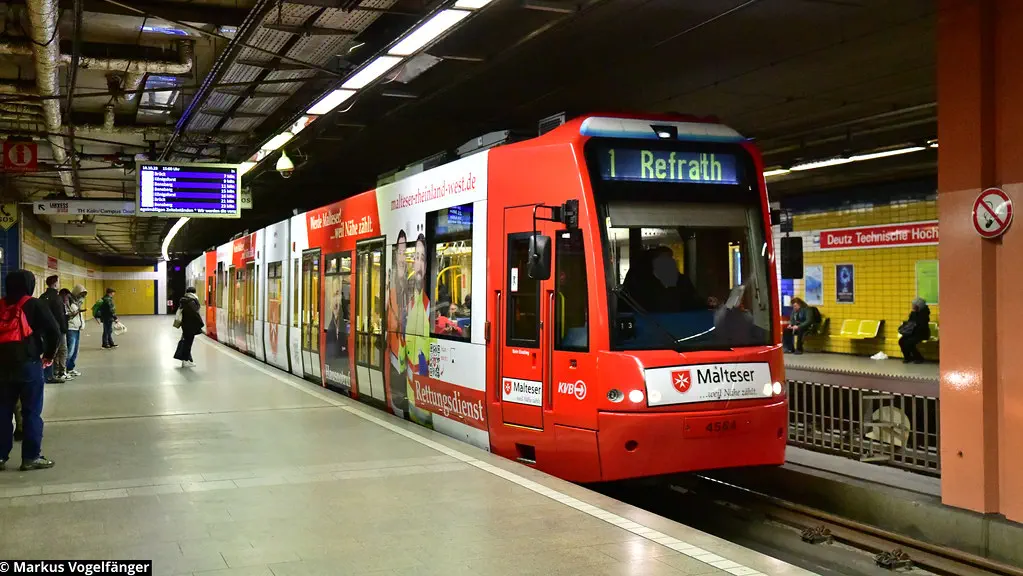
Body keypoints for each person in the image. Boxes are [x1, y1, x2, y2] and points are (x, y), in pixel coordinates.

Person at [0, 269, 60, 471]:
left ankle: (0, 456)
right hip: (28, 365)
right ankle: (31, 457)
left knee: (2, 411)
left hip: (2, 368)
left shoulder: (1, 305)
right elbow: (54, 331)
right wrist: (48, 355)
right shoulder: (34, 304)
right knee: (31, 412)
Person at [39, 276, 68, 383]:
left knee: (48, 351)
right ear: (55, 283)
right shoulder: (57, 298)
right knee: (62, 350)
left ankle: (49, 373)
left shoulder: (42, 297)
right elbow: (60, 315)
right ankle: (59, 372)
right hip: (57, 329)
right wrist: (64, 328)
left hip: (45, 329)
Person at [174, 287, 204, 367]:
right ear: (194, 293)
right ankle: (185, 361)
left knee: (186, 343)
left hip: (185, 325)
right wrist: (201, 324)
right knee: (188, 344)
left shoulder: (184, 300)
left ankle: (187, 360)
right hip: (190, 326)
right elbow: (195, 314)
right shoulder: (191, 301)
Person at [899, 297, 931, 364]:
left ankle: (919, 358)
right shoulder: (913, 313)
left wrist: (914, 326)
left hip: (922, 334)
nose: (912, 306)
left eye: (914, 305)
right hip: (912, 333)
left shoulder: (924, 314)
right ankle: (907, 357)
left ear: (919, 306)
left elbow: (922, 326)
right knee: (901, 341)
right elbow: (910, 322)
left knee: (909, 342)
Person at [65, 285, 87, 378]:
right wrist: (77, 311)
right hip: (71, 328)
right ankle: (63, 369)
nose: (82, 297)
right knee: (70, 351)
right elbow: (68, 315)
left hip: (77, 328)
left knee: (75, 351)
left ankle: (70, 368)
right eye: (81, 294)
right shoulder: (69, 302)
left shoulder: (77, 303)